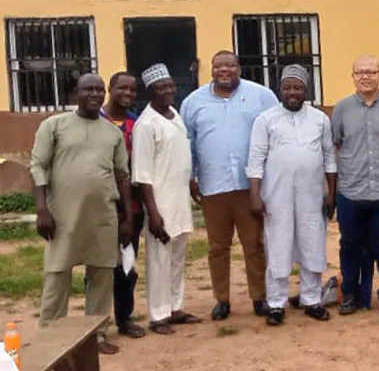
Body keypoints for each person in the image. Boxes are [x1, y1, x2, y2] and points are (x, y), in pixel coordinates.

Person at [30, 73, 133, 355]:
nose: (95, 94)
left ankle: (96, 334)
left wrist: (127, 217)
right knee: (57, 272)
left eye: (100, 90)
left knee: (102, 274)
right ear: (75, 92)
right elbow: (38, 166)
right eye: (88, 89)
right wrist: (42, 209)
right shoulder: (54, 125)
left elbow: (123, 175)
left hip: (103, 216)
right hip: (62, 215)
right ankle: (50, 334)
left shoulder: (112, 132)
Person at [180, 51, 279, 321]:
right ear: (211, 69)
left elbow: (276, 133)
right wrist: (191, 176)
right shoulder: (193, 102)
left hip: (252, 185)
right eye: (218, 66)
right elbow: (188, 141)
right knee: (217, 247)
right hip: (213, 185)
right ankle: (221, 299)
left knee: (254, 245)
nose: (224, 70)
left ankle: (259, 297)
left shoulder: (261, 96)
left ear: (239, 68)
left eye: (230, 66)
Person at [247, 64, 337, 326]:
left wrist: (332, 192)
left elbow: (330, 158)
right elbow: (255, 160)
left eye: (297, 87)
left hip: (312, 195)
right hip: (276, 195)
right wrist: (255, 194)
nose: (292, 92)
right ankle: (276, 303)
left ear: (306, 89)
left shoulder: (320, 119)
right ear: (280, 89)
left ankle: (311, 299)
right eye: (287, 87)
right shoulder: (265, 120)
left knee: (313, 244)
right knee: (278, 245)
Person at [331, 55, 379, 317]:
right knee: (349, 244)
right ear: (353, 76)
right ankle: (350, 293)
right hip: (351, 190)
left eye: (371, 72)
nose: (365, 76)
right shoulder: (341, 109)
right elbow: (336, 144)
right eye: (359, 72)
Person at [133, 64, 202, 335]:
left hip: (179, 200)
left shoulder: (175, 115)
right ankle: (158, 315)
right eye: (161, 87)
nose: (168, 91)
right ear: (150, 91)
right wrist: (153, 213)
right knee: (159, 260)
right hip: (159, 203)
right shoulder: (145, 125)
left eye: (170, 85)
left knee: (177, 258)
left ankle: (175, 307)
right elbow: (142, 174)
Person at [100, 71, 146, 339]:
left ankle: (125, 318)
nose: (128, 94)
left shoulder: (135, 124)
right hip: (102, 206)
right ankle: (97, 325)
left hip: (132, 209)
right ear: (111, 88)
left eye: (133, 90)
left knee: (127, 266)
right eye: (123, 89)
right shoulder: (98, 121)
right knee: (101, 268)